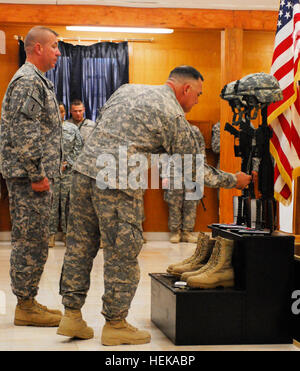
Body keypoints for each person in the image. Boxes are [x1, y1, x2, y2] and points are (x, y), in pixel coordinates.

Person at [57, 65, 251, 345]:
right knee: (122, 252)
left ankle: (71, 315)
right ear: (185, 89)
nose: (196, 101)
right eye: (197, 94)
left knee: (79, 246)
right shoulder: (172, 113)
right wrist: (234, 179)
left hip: (83, 172)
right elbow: (192, 169)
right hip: (118, 180)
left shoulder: (127, 89)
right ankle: (116, 323)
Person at [0, 26, 62, 326]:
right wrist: (37, 172)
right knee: (30, 240)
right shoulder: (27, 82)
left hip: (32, 176)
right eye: (54, 47)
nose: (58, 53)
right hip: (29, 178)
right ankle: (25, 306)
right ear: (37, 48)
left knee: (35, 238)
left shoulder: (37, 81)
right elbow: (25, 132)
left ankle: (28, 300)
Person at [163, 124, 206, 244]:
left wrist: (202, 171)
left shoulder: (194, 130)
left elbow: (201, 150)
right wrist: (164, 175)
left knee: (191, 204)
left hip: (192, 172)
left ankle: (187, 232)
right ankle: (175, 232)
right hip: (173, 172)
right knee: (174, 203)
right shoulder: (171, 130)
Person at [48, 102, 83, 247]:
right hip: (52, 172)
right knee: (52, 203)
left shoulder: (72, 128)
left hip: (68, 172)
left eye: (62, 111)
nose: (60, 114)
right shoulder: (47, 130)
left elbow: (79, 147)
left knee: (69, 203)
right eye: (57, 111)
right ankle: (50, 235)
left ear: (64, 113)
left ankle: (67, 233)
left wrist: (68, 162)